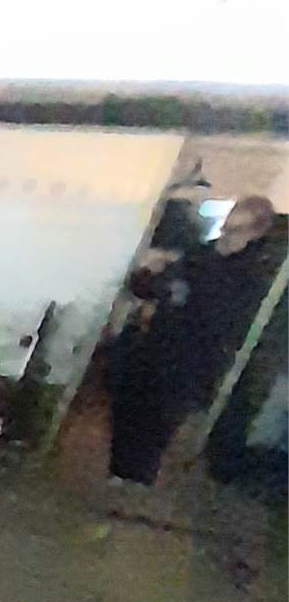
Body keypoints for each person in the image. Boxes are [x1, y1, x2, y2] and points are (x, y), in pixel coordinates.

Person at [107, 193, 286, 484]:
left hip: (191, 358)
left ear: (255, 231)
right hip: (159, 345)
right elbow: (148, 288)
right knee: (132, 405)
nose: (229, 228)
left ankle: (135, 475)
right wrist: (151, 273)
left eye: (238, 224)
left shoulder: (249, 274)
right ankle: (124, 471)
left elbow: (221, 316)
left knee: (158, 418)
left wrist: (168, 285)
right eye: (232, 219)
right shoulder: (200, 254)